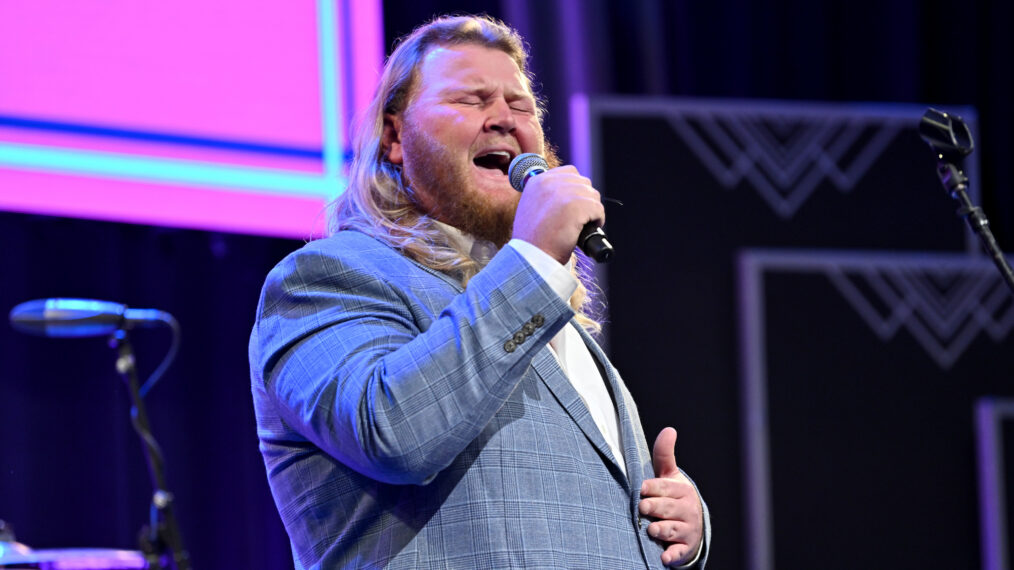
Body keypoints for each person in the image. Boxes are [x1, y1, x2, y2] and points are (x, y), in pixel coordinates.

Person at [249, 15, 711, 569]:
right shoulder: (324, 279)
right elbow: (390, 432)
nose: (504, 120)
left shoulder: (544, 310)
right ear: (395, 137)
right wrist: (534, 261)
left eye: (521, 106)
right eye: (470, 100)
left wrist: (676, 526)